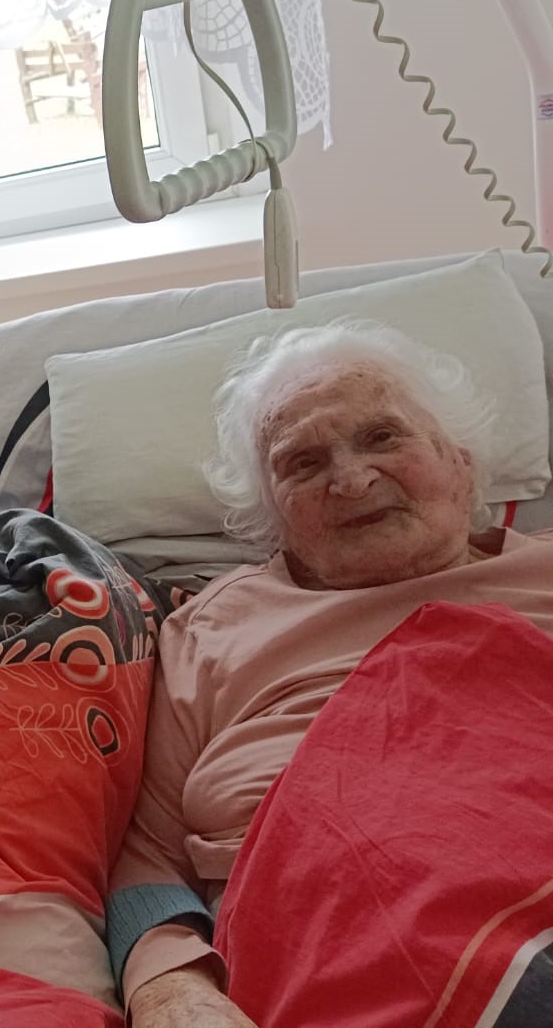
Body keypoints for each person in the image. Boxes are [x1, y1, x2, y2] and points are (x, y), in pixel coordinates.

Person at [107, 319, 553, 1027]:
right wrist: (170, 989)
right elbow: (147, 855)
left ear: (461, 463)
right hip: (319, 962)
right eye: (303, 463)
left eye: (382, 436)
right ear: (275, 517)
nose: (350, 479)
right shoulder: (211, 629)